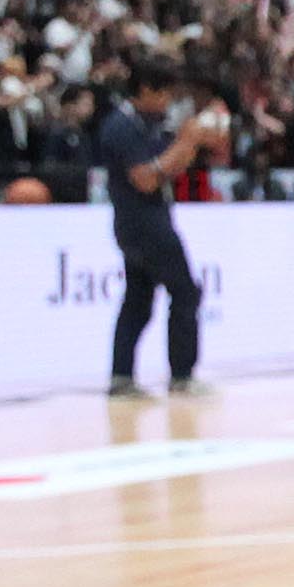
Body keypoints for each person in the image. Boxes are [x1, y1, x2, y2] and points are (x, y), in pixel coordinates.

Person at [90, 65, 215, 397]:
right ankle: (182, 375)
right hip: (143, 221)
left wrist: (190, 145)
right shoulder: (122, 126)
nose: (167, 102)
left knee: (138, 299)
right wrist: (185, 142)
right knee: (185, 292)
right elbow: (145, 179)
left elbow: (169, 169)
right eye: (163, 94)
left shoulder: (146, 125)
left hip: (142, 221)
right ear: (144, 90)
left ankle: (121, 376)